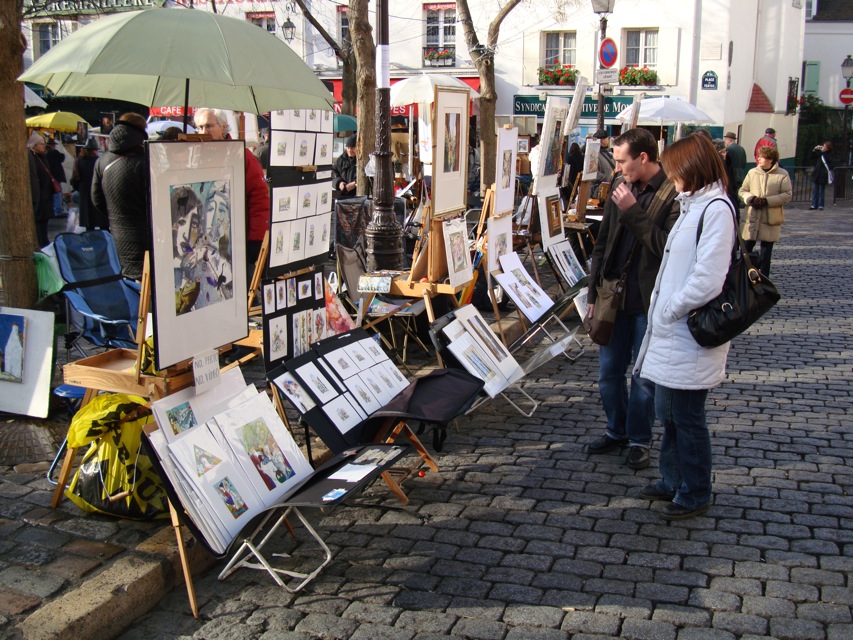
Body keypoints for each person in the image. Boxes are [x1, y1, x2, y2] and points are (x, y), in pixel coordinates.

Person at [634, 133, 736, 521]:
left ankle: (694, 490)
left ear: (691, 170)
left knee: (686, 417)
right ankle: (672, 478)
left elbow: (707, 279)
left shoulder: (715, 209)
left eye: (675, 171)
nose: (671, 178)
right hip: (674, 331)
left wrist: (669, 310)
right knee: (668, 412)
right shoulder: (695, 205)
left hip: (687, 332)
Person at [586, 128, 680, 470]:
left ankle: (640, 440)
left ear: (643, 157)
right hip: (612, 296)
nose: (617, 166)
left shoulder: (672, 193)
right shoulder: (618, 186)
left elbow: (664, 246)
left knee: (643, 378)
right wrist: (592, 291)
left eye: (622, 160)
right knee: (608, 374)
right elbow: (603, 242)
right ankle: (617, 430)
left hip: (647, 299)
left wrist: (632, 211)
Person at [194, 108, 270, 285]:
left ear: (223, 127)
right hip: (206, 243)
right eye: (199, 127)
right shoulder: (195, 157)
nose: (203, 132)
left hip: (237, 242)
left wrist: (255, 239)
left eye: (209, 126)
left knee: (240, 289)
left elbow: (259, 200)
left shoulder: (242, 157)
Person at [92, 112, 150, 280]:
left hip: (117, 232)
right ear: (141, 132)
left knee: (130, 279)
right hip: (147, 233)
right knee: (148, 283)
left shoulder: (102, 161)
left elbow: (96, 199)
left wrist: (116, 216)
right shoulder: (145, 161)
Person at [738, 146, 791, 277]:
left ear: (770, 159)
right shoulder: (752, 172)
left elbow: (787, 195)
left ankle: (764, 278)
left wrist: (767, 201)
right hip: (752, 217)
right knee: (746, 250)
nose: (758, 159)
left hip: (769, 218)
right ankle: (743, 276)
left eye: (761, 157)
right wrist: (751, 198)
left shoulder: (782, 174)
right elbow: (742, 190)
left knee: (766, 253)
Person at [71, 138, 107, 231]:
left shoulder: (79, 160)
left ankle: (91, 242)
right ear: (94, 150)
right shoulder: (99, 160)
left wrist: (79, 188)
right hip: (98, 192)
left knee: (89, 224)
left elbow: (74, 179)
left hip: (84, 193)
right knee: (103, 223)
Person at [27, 132, 53, 247]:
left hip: (45, 197)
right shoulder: (33, 158)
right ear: (34, 146)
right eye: (41, 144)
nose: (44, 146)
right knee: (40, 228)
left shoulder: (42, 157)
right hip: (40, 198)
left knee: (43, 227)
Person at [45, 137, 67, 216]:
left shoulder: (44, 153)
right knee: (57, 192)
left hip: (48, 176)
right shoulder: (54, 152)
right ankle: (58, 210)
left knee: (52, 194)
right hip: (55, 177)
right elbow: (62, 157)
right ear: (51, 145)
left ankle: (54, 210)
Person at [809, 141, 833, 211]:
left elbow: (828, 161)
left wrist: (823, 152)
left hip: (823, 174)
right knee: (814, 190)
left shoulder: (828, 154)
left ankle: (821, 205)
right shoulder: (820, 153)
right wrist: (814, 149)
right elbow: (812, 157)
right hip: (816, 174)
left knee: (821, 191)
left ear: (827, 148)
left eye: (825, 146)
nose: (823, 147)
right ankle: (814, 205)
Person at [559, 142, 584, 208]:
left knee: (572, 187)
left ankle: (572, 199)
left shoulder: (570, 156)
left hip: (572, 174)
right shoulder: (581, 156)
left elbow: (569, 165)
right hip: (578, 173)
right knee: (576, 188)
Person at [333, 134, 358, 199]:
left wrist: (355, 184)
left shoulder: (362, 160)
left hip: (357, 195)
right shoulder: (341, 159)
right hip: (343, 195)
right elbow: (334, 173)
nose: (350, 150)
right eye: (348, 148)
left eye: (352, 148)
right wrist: (339, 183)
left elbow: (367, 177)